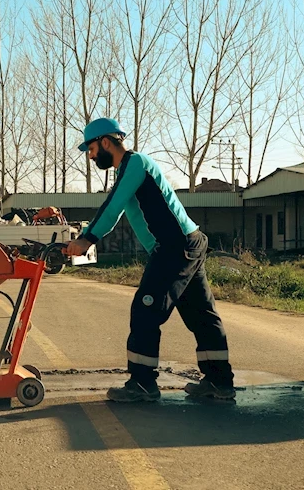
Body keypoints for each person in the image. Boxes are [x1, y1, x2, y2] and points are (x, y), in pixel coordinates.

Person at [65, 118, 235, 402]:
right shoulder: (129, 169)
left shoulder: (135, 163)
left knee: (145, 309)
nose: (91, 155)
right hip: (185, 244)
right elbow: (117, 210)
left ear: (106, 142)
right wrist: (86, 235)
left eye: (91, 148)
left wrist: (87, 239)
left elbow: (113, 206)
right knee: (201, 315)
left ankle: (143, 384)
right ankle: (220, 382)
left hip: (175, 247)